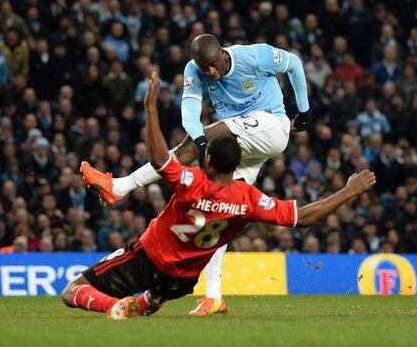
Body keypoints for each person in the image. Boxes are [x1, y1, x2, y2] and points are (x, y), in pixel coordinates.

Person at [64, 72, 376, 320]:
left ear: (208, 161)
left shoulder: (191, 181)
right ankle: (152, 299)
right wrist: (349, 191)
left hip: (149, 260)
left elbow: (160, 158)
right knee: (161, 292)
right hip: (183, 282)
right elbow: (304, 218)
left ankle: (112, 307)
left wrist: (150, 108)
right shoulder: (248, 200)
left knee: (73, 290)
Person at [81, 34, 311, 315]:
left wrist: (304, 109)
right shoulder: (194, 70)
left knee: (192, 145)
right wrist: (201, 139)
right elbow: (189, 110)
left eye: (213, 66)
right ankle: (213, 295)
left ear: (223, 55)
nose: (210, 73)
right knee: (219, 211)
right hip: (242, 140)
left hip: (272, 125)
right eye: (205, 68)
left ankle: (120, 186)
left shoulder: (254, 55)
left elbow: (294, 63)